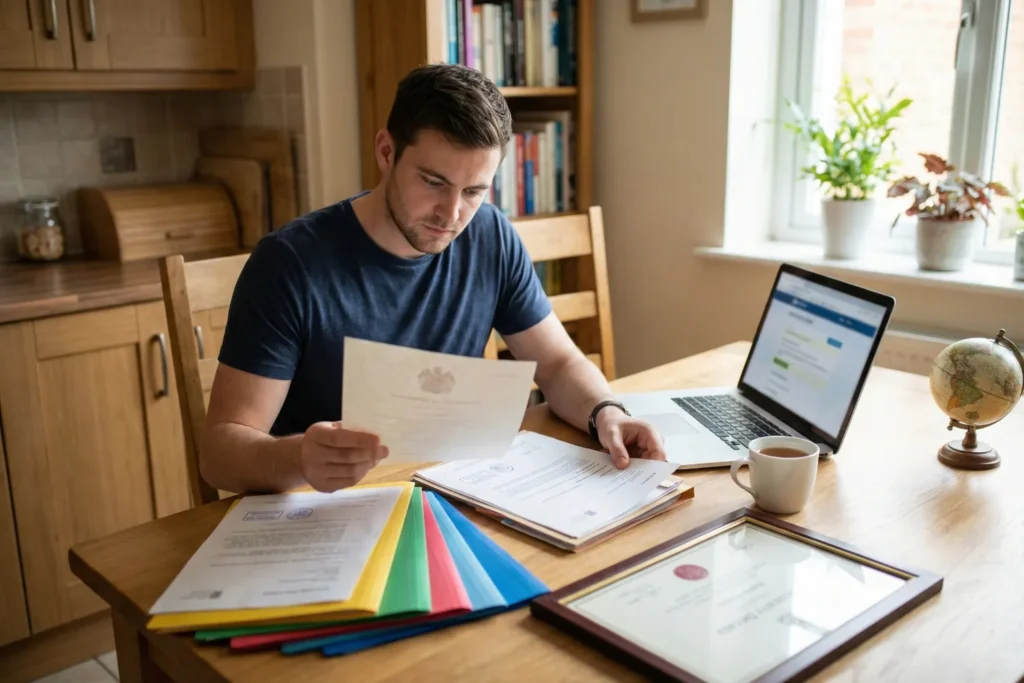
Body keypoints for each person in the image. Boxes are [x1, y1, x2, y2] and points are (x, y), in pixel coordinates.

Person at [203, 63, 666, 495]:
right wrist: (298, 457)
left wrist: (606, 411)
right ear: (386, 151)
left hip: (452, 490)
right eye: (432, 182)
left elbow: (559, 364)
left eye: (473, 191)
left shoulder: (490, 235)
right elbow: (220, 453)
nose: (452, 214)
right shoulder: (289, 264)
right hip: (324, 508)